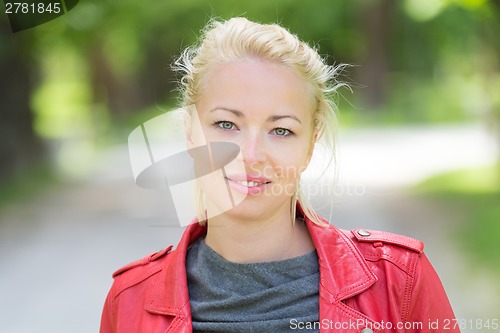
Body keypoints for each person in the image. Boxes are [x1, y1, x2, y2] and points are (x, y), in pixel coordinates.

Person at [100, 17, 459, 333]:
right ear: (191, 133)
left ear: (310, 144)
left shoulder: (399, 279)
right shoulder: (130, 299)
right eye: (226, 124)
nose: (251, 156)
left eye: (281, 130)